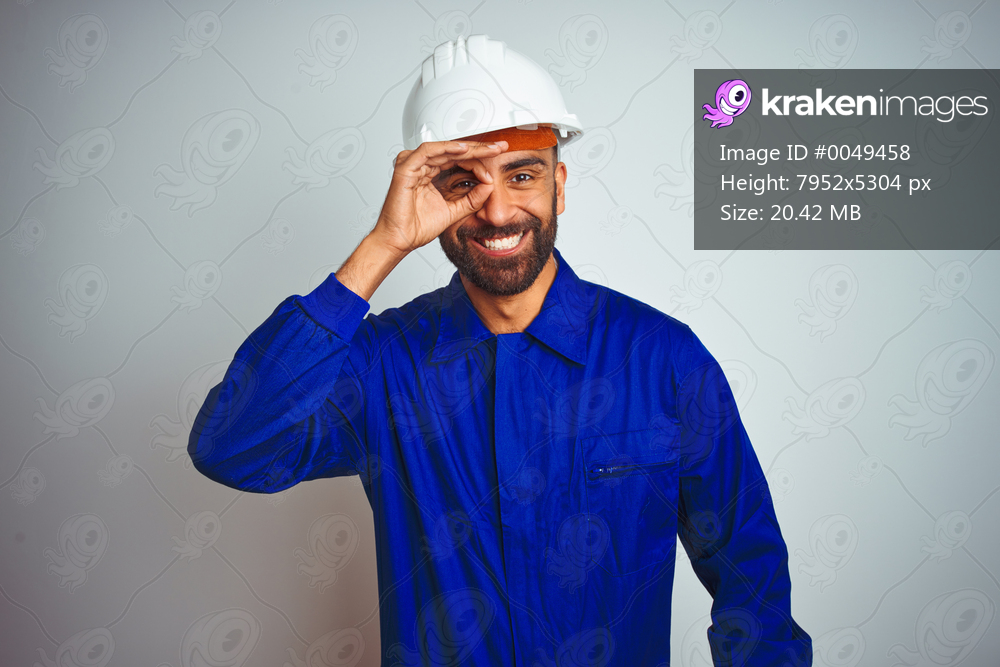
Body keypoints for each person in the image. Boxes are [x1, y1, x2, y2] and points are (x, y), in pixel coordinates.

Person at [189, 34, 812, 666]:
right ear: (425, 193)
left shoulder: (663, 360)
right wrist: (382, 246)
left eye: (521, 175)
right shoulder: (382, 364)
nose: (497, 209)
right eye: (463, 183)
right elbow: (231, 448)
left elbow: (750, 579)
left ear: (558, 185)